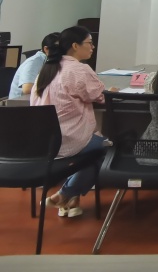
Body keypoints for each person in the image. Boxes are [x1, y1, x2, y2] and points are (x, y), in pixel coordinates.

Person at [31, 26, 115, 218]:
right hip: (71, 140)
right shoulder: (79, 69)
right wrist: (111, 92)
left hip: (45, 142)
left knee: (89, 155)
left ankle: (69, 199)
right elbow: (100, 97)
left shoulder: (46, 69)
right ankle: (66, 194)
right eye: (89, 43)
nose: (93, 47)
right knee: (108, 150)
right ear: (75, 46)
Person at [9, 32, 59, 98]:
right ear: (46, 49)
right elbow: (27, 89)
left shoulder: (52, 61)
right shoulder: (34, 61)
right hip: (21, 102)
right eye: (58, 49)